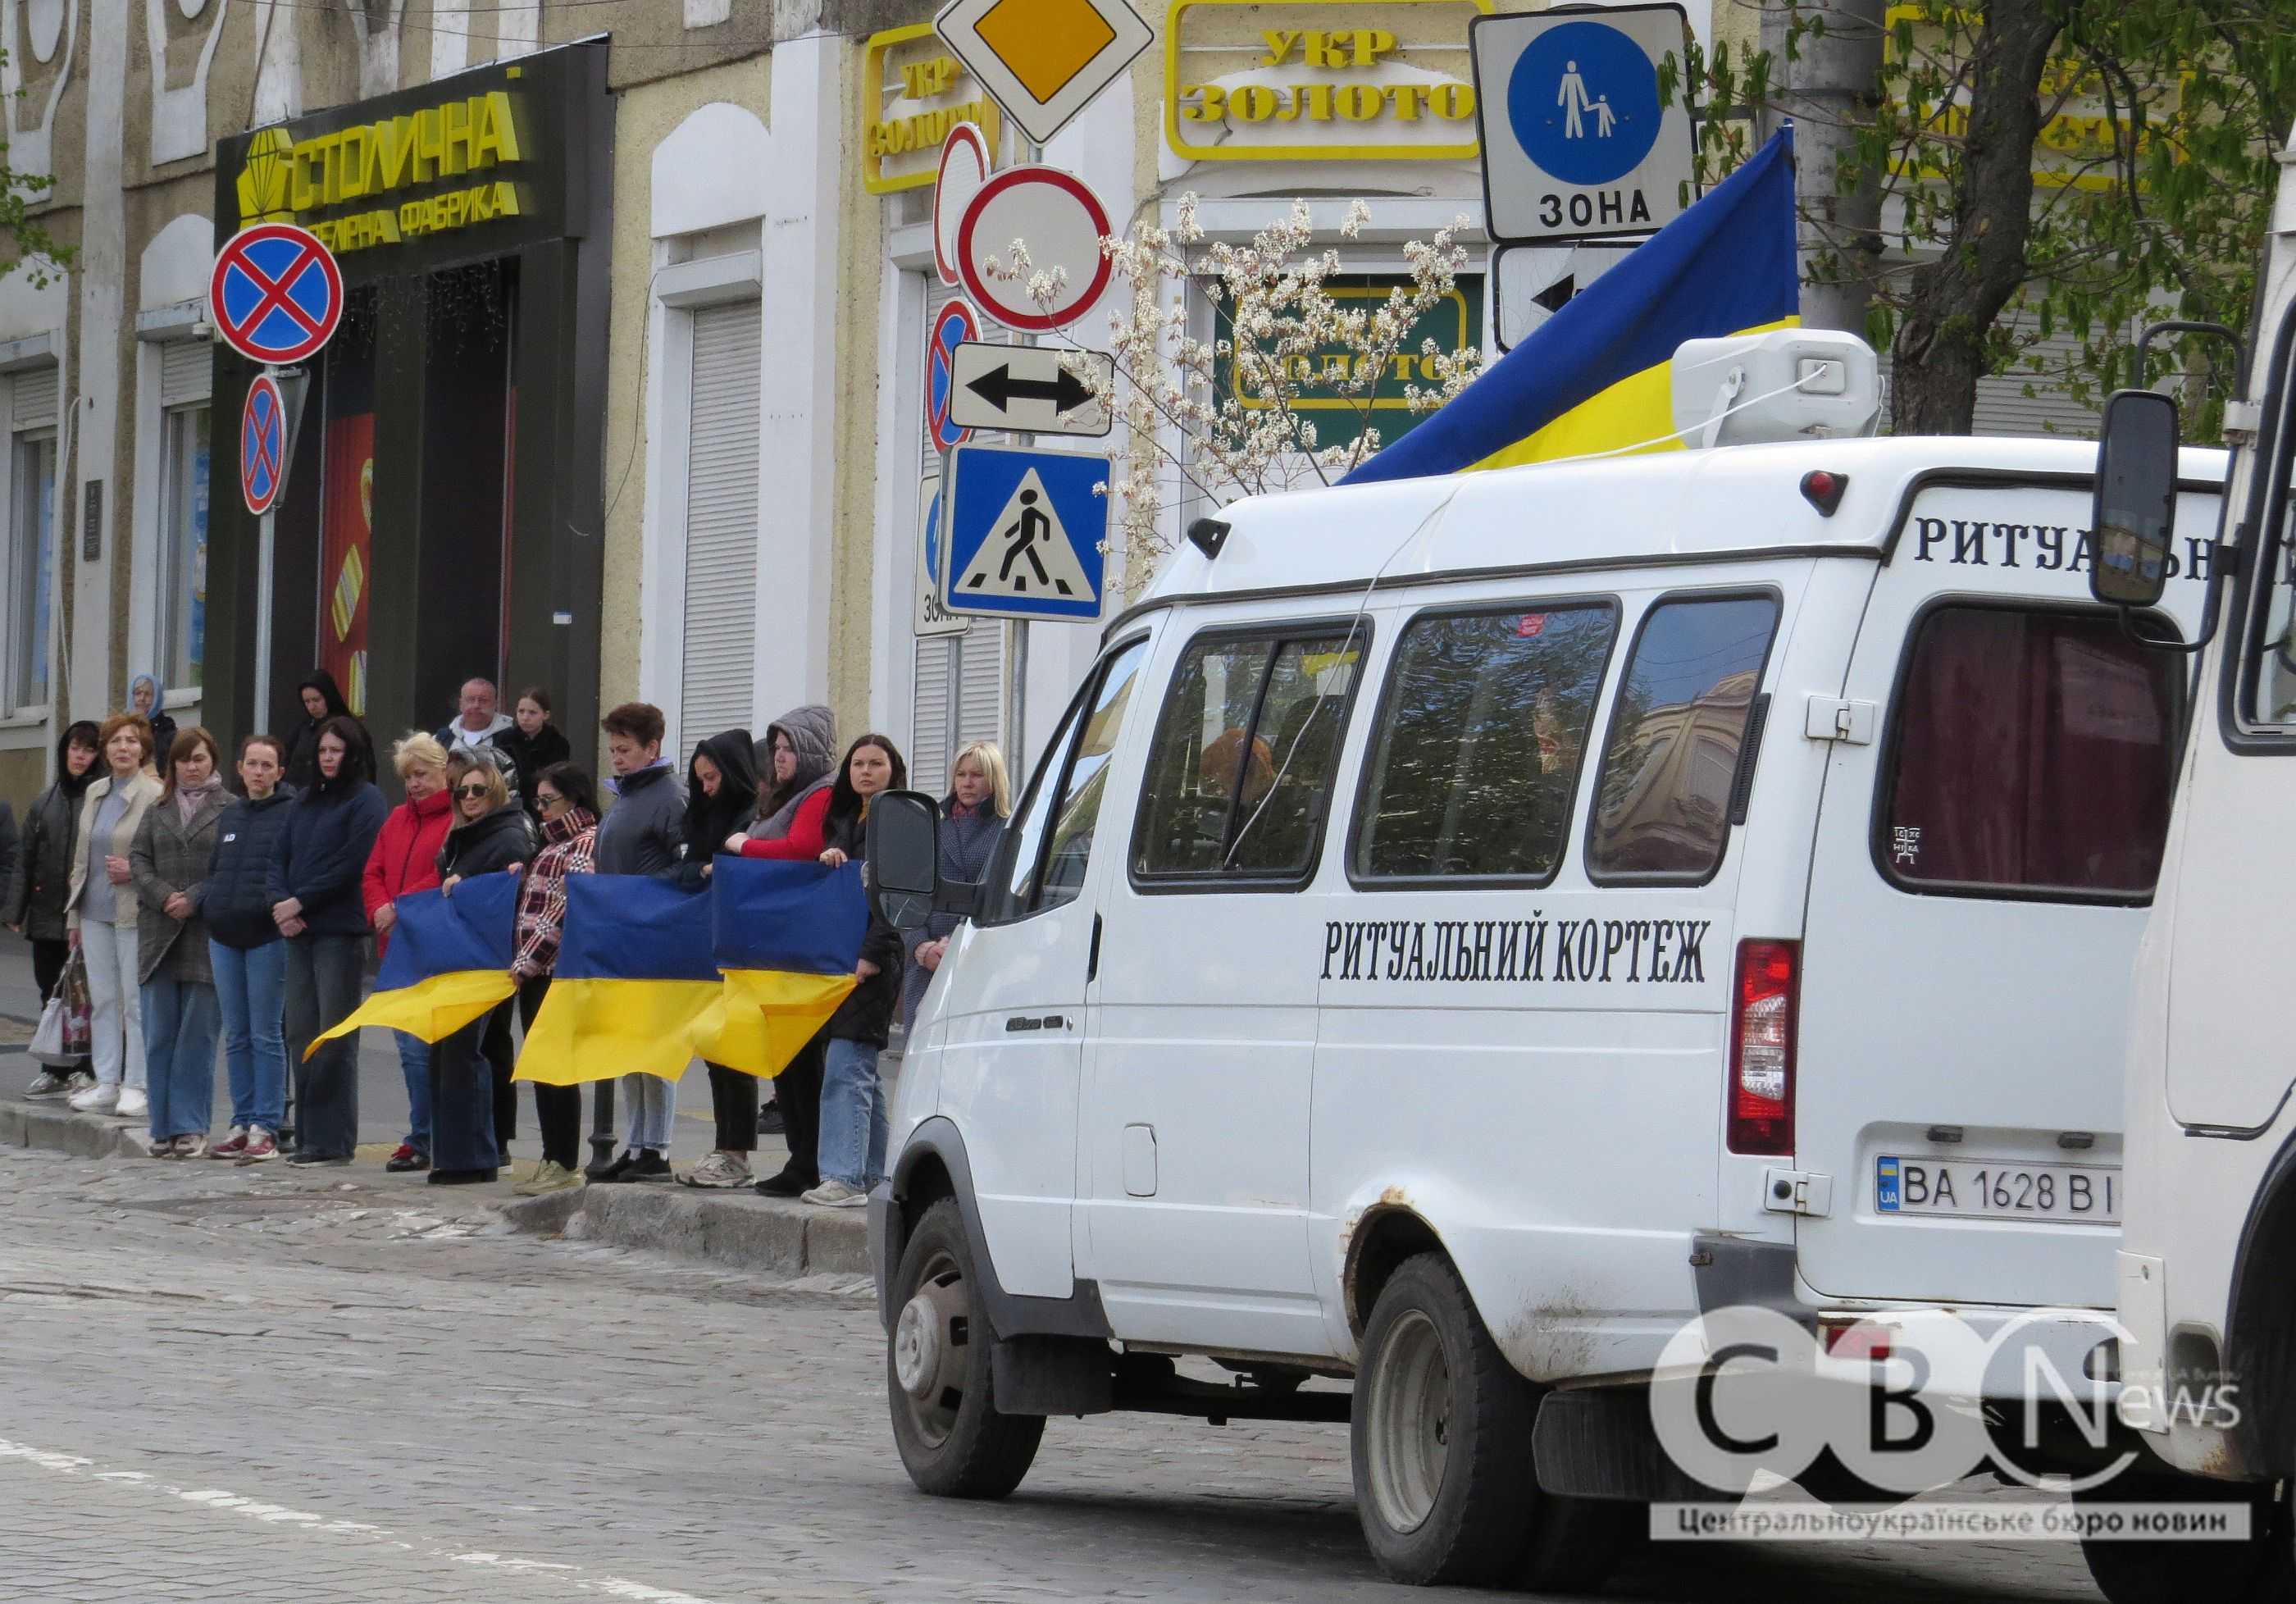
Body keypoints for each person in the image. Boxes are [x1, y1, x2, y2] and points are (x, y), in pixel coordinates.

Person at [726, 705, 837, 1191]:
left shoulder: (820, 792)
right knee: (786, 1061)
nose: (781, 758)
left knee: (803, 1060)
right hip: (776, 941)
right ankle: (799, 1158)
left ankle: (808, 1161)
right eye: (777, 750)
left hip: (802, 943)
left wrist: (741, 848)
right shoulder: (783, 797)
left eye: (790, 748)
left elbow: (801, 849)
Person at [798, 733, 909, 1209]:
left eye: (876, 763)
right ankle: (872, 1176)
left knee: (846, 1068)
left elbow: (897, 898)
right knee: (862, 1074)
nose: (865, 771)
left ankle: (843, 1176)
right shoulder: (844, 819)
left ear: (893, 770)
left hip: (873, 957)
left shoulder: (899, 821)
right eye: (858, 763)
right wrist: (832, 859)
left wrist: (871, 952)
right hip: (841, 955)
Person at [273, 716, 387, 1166]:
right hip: (298, 931)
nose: (327, 759)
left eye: (335, 751)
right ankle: (308, 1135)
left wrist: (301, 902)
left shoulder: (366, 800)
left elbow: (352, 863)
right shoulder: (303, 801)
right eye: (322, 751)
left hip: (338, 931)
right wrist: (280, 902)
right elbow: (277, 858)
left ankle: (333, 1140)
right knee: (300, 1031)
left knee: (334, 1036)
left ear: (353, 754)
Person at [588, 702, 685, 1183]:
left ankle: (659, 1148)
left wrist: (641, 892)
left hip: (654, 934)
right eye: (612, 750)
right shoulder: (624, 797)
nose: (617, 758)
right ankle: (637, 1142)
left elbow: (684, 865)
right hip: (620, 933)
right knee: (629, 1043)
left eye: (625, 750)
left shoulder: (670, 797)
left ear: (653, 748)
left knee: (655, 1044)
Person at [425, 758, 531, 1185]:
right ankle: (459, 1153)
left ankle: (477, 1155)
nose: (469, 798)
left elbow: (507, 887)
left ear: (496, 793)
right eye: (462, 791)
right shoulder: (461, 836)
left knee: (470, 1054)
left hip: (487, 961)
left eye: (478, 790)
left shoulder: (507, 835)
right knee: (455, 1052)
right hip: (459, 958)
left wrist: (464, 885)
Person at [130, 727, 230, 1159]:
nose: (192, 767)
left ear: (214, 762)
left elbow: (234, 866)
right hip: (159, 934)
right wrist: (162, 895)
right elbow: (138, 858)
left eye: (200, 758)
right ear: (172, 765)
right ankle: (163, 1126)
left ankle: (190, 1126)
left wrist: (194, 897)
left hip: (206, 933)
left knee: (197, 1036)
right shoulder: (158, 808)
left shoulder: (232, 809)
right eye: (184, 760)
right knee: (159, 1035)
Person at [362, 732, 455, 1173]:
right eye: (408, 777)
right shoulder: (397, 819)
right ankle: (422, 1133)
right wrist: (379, 906)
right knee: (407, 1048)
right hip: (394, 947)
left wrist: (399, 907)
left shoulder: (454, 819)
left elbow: (442, 874)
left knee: (424, 1050)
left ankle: (428, 1136)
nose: (414, 784)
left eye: (422, 775)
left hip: (431, 948)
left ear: (443, 772)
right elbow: (373, 870)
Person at [672, 728, 760, 1190]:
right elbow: (683, 868)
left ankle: (735, 1152)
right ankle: (726, 1148)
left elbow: (746, 866)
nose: (707, 788)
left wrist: (715, 869)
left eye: (713, 779)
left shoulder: (750, 812)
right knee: (714, 1048)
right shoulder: (703, 814)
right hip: (705, 942)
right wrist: (705, 869)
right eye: (701, 779)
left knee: (732, 1050)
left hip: (742, 945)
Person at [66, 714, 164, 1118]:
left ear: (143, 749)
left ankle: (137, 1084)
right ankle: (107, 1080)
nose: (124, 748)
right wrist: (72, 918)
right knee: (103, 1000)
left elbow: (162, 856)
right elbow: (81, 857)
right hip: (93, 908)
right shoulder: (95, 792)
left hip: (133, 911)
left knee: (135, 1002)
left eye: (132, 741)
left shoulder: (155, 793)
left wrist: (134, 873)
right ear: (105, 750)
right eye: (116, 742)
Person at [203, 735, 295, 1162]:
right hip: (224, 936)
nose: (258, 772)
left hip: (265, 938)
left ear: (279, 772)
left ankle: (267, 1124)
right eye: (252, 764)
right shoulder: (230, 815)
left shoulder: (290, 814)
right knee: (236, 1035)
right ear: (240, 768)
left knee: (265, 1034)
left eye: (267, 765)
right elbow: (216, 871)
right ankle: (241, 1121)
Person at [510, 763, 599, 1196]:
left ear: (574, 800)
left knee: (556, 1068)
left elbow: (564, 911)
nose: (541, 810)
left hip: (551, 973)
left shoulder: (582, 844)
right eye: (538, 802)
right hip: (533, 971)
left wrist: (526, 962)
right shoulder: (548, 844)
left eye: (549, 801)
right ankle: (551, 1156)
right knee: (542, 1067)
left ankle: (563, 1160)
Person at [7, 721, 101, 1097]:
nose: (80, 756)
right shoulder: (45, 801)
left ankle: (85, 1067)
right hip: (47, 914)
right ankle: (54, 1068)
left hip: (87, 914)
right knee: (51, 994)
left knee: (86, 997)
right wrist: (15, 910)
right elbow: (24, 860)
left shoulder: (99, 799)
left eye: (89, 749)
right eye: (75, 748)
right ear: (65, 751)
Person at [900, 741, 1011, 1037]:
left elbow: (1004, 896)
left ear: (994, 779)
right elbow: (909, 896)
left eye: (977, 775)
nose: (967, 782)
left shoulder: (1007, 830)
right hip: (929, 965)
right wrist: (920, 947)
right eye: (961, 774)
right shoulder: (933, 827)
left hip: (980, 958)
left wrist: (955, 942)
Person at [494, 687, 572, 821]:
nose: (525, 717)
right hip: (511, 805)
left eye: (532, 713)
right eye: (521, 711)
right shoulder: (505, 739)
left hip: (542, 806)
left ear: (545, 715)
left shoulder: (557, 743)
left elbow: (556, 780)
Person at [282, 671, 353, 794]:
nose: (312, 707)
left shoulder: (346, 729)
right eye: (307, 702)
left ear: (328, 697)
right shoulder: (302, 728)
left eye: (316, 700)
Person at [435, 677, 513, 756]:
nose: (476, 705)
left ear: (495, 704)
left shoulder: (513, 738)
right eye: (471, 699)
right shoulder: (442, 738)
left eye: (483, 700)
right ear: (461, 704)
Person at [130, 673, 177, 775]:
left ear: (157, 699)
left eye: (148, 694)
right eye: (138, 693)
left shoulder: (168, 731)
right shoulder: (125, 727)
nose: (142, 698)